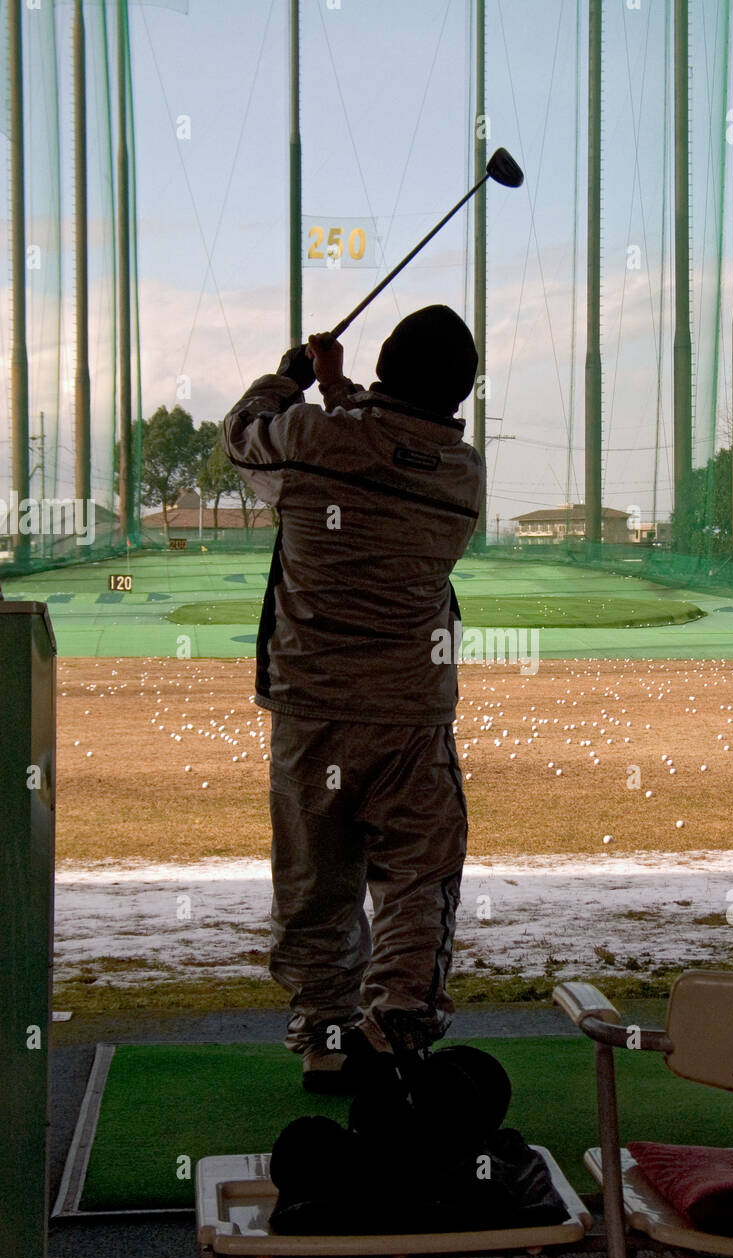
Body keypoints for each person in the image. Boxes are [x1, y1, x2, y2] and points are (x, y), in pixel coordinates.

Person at [221, 305, 484, 1093]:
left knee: (316, 875)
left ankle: (325, 1034)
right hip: (409, 713)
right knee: (416, 874)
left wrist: (291, 380)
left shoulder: (310, 442)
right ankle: (396, 1019)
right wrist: (337, 391)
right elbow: (387, 451)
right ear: (458, 395)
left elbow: (244, 433)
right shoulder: (462, 474)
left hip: (314, 706)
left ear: (386, 373)